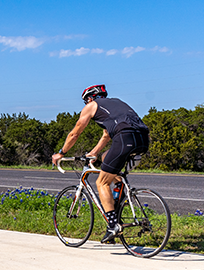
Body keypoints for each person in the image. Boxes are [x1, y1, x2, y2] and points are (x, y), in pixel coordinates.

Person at [51, 84, 150, 243]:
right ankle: (119, 194)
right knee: (107, 160)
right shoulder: (116, 103)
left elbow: (75, 133)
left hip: (125, 138)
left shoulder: (91, 106)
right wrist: (94, 153)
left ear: (89, 98)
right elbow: (106, 135)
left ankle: (112, 226)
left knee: (101, 183)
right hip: (143, 139)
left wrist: (61, 153)